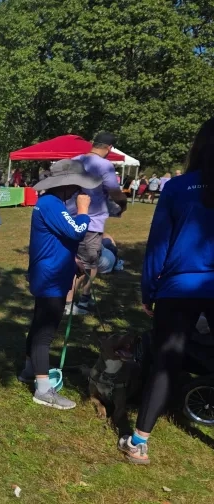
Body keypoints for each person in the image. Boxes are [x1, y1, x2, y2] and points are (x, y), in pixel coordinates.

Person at [118, 117, 214, 464]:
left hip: (178, 288)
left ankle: (139, 440)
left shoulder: (177, 188)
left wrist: (149, 290)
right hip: (187, 284)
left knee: (166, 363)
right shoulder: (177, 188)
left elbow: (159, 245)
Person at [18, 160, 96, 410]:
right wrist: (83, 211)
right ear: (67, 184)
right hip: (51, 277)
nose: (80, 190)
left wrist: (71, 259)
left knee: (40, 322)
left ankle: (30, 370)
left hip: (51, 272)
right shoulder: (51, 203)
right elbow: (75, 231)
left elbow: (56, 237)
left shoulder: (51, 203)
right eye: (77, 184)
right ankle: (43, 390)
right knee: (45, 332)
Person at [65, 131, 127, 315]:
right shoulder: (104, 165)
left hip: (69, 219)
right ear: (109, 148)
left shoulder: (75, 160)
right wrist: (123, 204)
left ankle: (69, 301)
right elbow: (115, 192)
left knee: (71, 261)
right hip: (91, 223)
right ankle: (79, 301)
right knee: (90, 264)